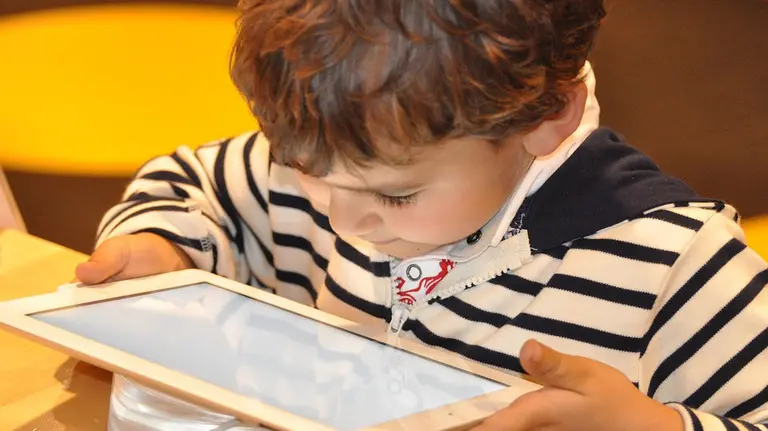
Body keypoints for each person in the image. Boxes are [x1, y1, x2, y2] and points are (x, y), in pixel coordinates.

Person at [75, 0, 768, 429]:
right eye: (311, 173)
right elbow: (197, 186)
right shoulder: (347, 156)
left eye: (397, 196)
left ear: (546, 117)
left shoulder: (673, 261)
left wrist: (655, 428)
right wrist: (163, 244)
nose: (344, 218)